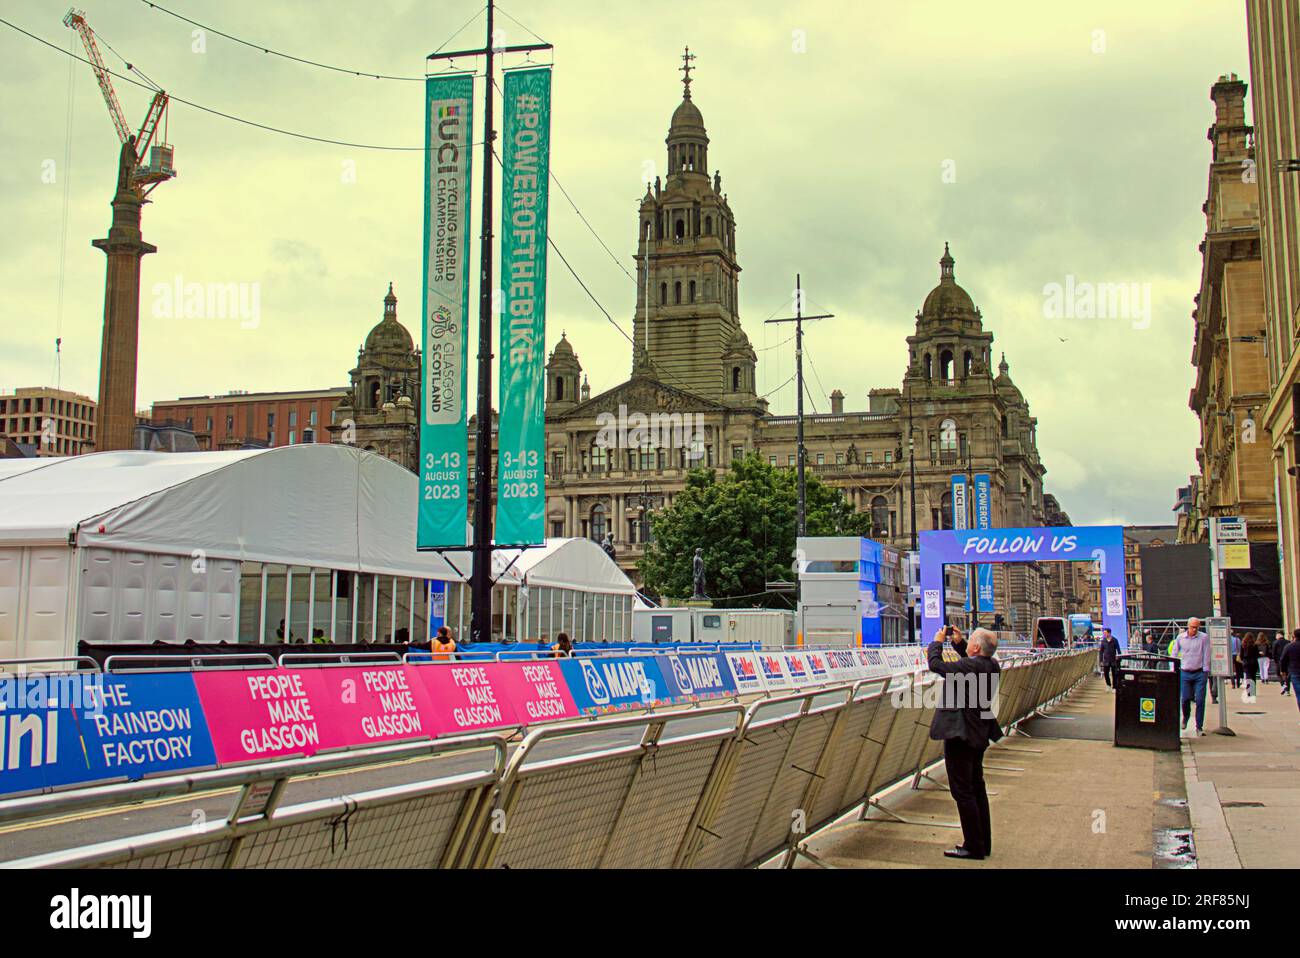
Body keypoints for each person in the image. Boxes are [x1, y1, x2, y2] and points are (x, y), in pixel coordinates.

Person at [927, 626, 1002, 861]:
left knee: (963, 791)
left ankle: (973, 846)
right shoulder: (991, 665)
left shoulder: (971, 667)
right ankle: (982, 843)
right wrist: (959, 645)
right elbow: (969, 667)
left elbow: (936, 665)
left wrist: (937, 642)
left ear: (977, 647)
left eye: (970, 642)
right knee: (977, 787)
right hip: (978, 732)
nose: (967, 643)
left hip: (961, 733)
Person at [1173, 617, 1212, 735]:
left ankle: (1199, 727)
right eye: (1192, 627)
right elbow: (1174, 652)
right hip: (1185, 672)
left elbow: (1206, 653)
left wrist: (1206, 670)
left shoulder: (1203, 638)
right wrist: (1174, 667)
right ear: (1188, 626)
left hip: (1199, 672)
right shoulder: (1180, 638)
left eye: (1197, 627)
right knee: (1185, 699)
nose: (1194, 629)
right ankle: (1186, 716)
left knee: (1200, 700)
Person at [1278, 630, 1300, 714]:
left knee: (1299, 694)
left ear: (1294, 636)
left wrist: (1283, 671)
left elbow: (1283, 660)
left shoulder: (1289, 646)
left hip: (1295, 672)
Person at [1098, 627, 1121, 691]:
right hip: (1106, 660)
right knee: (1106, 673)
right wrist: (1101, 660)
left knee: (1114, 674)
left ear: (1109, 633)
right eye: (1104, 633)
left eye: (1105, 633)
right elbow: (1101, 651)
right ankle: (1108, 685)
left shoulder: (1115, 640)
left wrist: (1119, 657)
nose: (1104, 634)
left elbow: (1118, 650)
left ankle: (1114, 687)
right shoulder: (1103, 641)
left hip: (1113, 659)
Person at [1241, 632, 1260, 700]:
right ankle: (1253, 691)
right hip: (1254, 662)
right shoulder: (1255, 645)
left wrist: (1242, 659)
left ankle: (1249, 691)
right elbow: (1257, 654)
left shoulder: (1243, 645)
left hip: (1246, 662)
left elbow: (1241, 654)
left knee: (1248, 676)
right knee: (1253, 676)